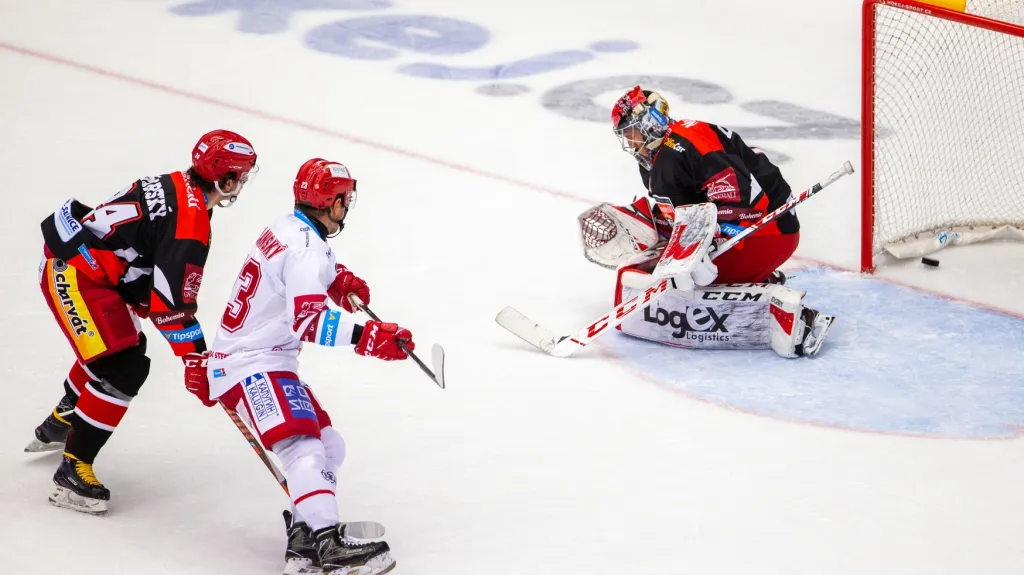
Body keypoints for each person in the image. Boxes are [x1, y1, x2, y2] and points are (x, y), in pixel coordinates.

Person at [183, 158, 408, 575]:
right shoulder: (307, 249)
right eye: (344, 199)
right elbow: (307, 320)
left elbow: (292, 269)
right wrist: (367, 337)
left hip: (264, 362)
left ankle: (303, 541)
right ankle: (331, 545)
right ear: (332, 200)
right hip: (250, 365)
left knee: (329, 446)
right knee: (302, 448)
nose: (347, 206)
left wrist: (335, 277)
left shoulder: (288, 226)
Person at [29, 129, 259, 515]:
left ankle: (65, 416)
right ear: (227, 179)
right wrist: (197, 360)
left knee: (122, 346)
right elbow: (171, 306)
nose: (245, 183)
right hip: (74, 273)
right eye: (243, 175)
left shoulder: (174, 182)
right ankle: (73, 470)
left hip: (89, 267)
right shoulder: (191, 223)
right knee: (124, 368)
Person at [576, 85, 834, 357]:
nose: (631, 141)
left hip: (765, 232)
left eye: (633, 132)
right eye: (626, 136)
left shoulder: (685, 145)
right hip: (745, 229)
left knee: (690, 282)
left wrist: (706, 244)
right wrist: (657, 226)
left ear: (652, 121)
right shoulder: (656, 156)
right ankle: (757, 278)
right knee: (662, 270)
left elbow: (743, 200)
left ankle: (792, 315)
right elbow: (686, 208)